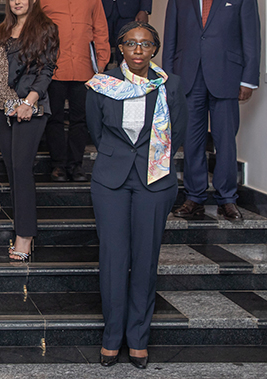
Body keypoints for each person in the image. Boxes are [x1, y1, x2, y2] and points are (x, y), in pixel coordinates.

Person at [86, 22, 187, 369]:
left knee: (145, 259)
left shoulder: (170, 86)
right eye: (131, 43)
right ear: (121, 48)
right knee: (113, 260)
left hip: (155, 180)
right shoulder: (103, 84)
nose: (138, 50)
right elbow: (96, 130)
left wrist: (150, 159)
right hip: (111, 180)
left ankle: (139, 338)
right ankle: (112, 337)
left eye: (145, 44)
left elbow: (180, 131)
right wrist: (119, 157)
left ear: (154, 49)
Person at [163, 0, 260, 221]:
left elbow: (251, 39)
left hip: (227, 78)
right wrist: (170, 80)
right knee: (191, 142)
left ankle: (227, 198)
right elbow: (170, 39)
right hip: (188, 79)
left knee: (225, 141)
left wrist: (249, 80)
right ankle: (194, 196)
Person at [0, 0, 58, 261]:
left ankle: (24, 237)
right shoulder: (2, 30)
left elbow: (47, 70)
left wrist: (29, 102)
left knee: (22, 169)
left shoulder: (45, 29)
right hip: (2, 110)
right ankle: (22, 230)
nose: (17, 2)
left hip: (30, 110)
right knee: (12, 171)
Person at [38, 0, 110, 182]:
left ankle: (76, 165)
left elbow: (100, 28)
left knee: (81, 120)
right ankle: (58, 165)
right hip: (53, 69)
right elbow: (34, 30)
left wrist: (101, 64)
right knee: (55, 118)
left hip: (84, 69)